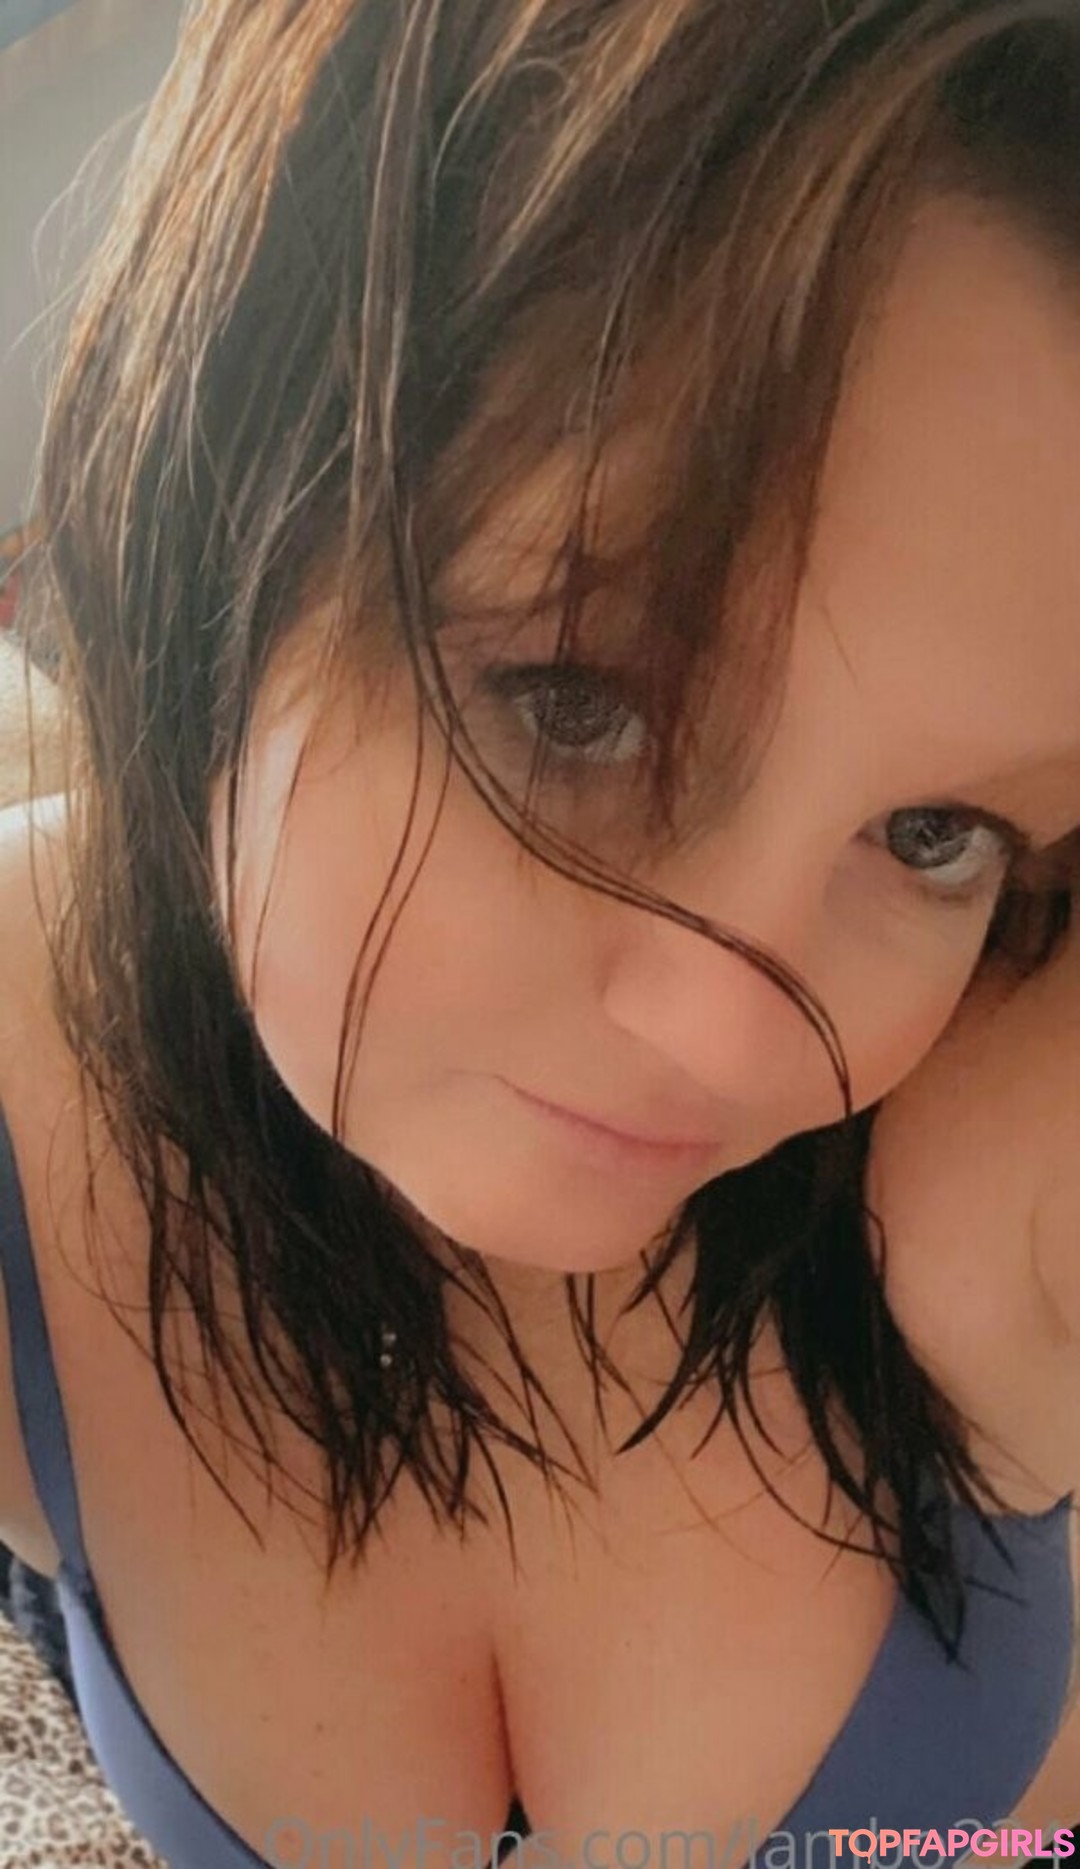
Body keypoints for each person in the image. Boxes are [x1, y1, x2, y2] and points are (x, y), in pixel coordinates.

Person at [0, 2, 1079, 1865]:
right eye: (575, 704)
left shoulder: (1014, 1123)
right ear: (226, 487)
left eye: (934, 834)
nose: (740, 1040)